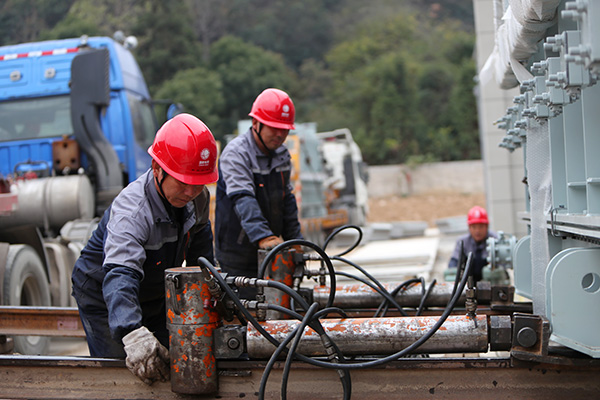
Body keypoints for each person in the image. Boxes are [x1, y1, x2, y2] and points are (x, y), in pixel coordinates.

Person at [71, 113, 218, 384]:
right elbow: (120, 276)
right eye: (182, 182)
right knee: (130, 374)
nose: (190, 192)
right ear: (156, 168)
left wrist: (216, 292)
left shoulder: (197, 198)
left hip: (152, 291)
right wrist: (132, 332)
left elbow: (202, 256)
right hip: (105, 297)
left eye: (197, 184)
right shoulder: (132, 211)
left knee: (170, 362)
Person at [215, 88, 302, 296]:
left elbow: (286, 200)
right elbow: (243, 199)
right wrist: (264, 236)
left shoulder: (281, 155)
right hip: (237, 255)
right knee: (245, 315)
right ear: (256, 123)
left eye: (284, 129)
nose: (280, 134)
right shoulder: (236, 154)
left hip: (269, 252)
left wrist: (296, 242)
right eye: (274, 128)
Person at [448, 205, 497, 282]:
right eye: (474, 227)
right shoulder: (462, 242)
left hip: (491, 282)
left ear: (486, 226)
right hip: (468, 282)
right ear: (469, 227)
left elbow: (503, 265)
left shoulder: (495, 240)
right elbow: (454, 261)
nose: (477, 231)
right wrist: (453, 271)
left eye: (480, 226)